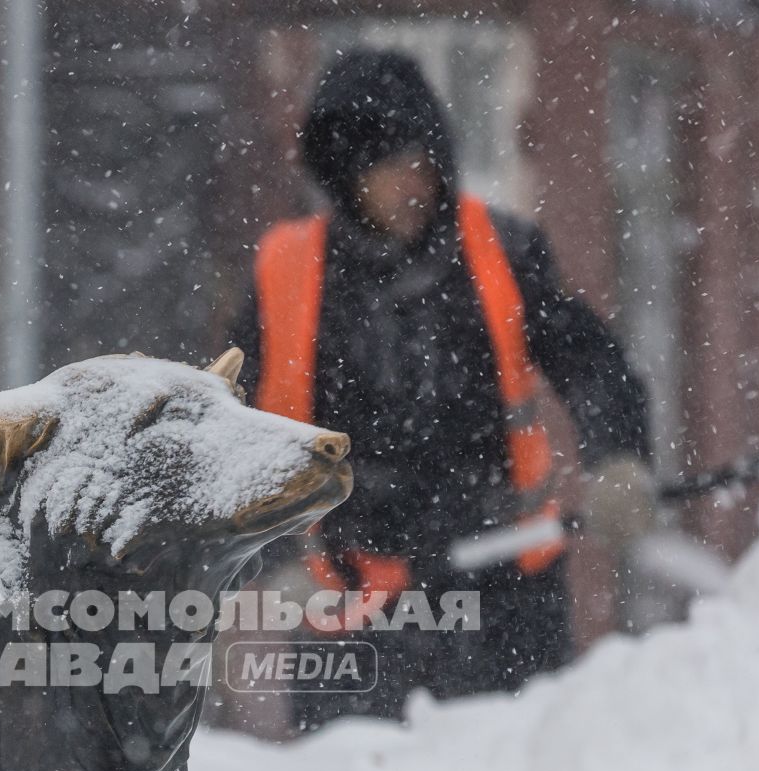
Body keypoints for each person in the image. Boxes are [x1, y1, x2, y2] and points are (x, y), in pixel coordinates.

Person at [228, 49, 657, 727]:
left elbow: (591, 362)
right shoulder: (286, 273)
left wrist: (619, 458)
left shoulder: (503, 253)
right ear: (344, 175)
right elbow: (235, 430)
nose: (411, 183)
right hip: (348, 607)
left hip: (507, 599)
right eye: (386, 165)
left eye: (420, 160)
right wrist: (272, 557)